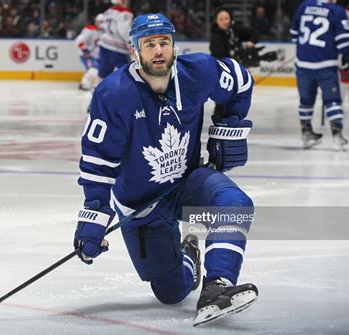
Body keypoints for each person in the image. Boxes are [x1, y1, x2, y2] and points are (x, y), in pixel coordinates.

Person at [74, 13, 258, 326]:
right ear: (135, 51)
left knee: (234, 205)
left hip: (188, 184)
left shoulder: (197, 71)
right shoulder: (114, 94)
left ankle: (218, 287)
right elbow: (98, 160)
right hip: (140, 206)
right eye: (149, 44)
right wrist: (94, 212)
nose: (158, 50)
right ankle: (188, 255)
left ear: (174, 47)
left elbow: (240, 81)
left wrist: (228, 128)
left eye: (164, 42)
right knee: (171, 293)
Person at [290, 0, 349, 150]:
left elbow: (294, 34)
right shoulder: (336, 10)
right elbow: (343, 39)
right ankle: (337, 133)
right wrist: (347, 56)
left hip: (303, 64)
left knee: (306, 100)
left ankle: (306, 132)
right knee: (332, 100)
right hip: (326, 65)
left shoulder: (304, 6)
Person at [96, 0, 133, 80]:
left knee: (103, 75)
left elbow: (101, 27)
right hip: (118, 48)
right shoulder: (125, 12)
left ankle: (98, 91)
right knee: (126, 74)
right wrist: (130, 42)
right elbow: (124, 30)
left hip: (104, 46)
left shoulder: (107, 11)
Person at [75, 14, 103, 91]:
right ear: (96, 22)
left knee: (96, 70)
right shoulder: (89, 29)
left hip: (95, 55)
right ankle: (84, 84)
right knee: (92, 69)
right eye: (99, 22)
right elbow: (79, 41)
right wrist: (85, 50)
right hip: (87, 54)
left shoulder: (103, 32)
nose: (101, 24)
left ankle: (89, 84)